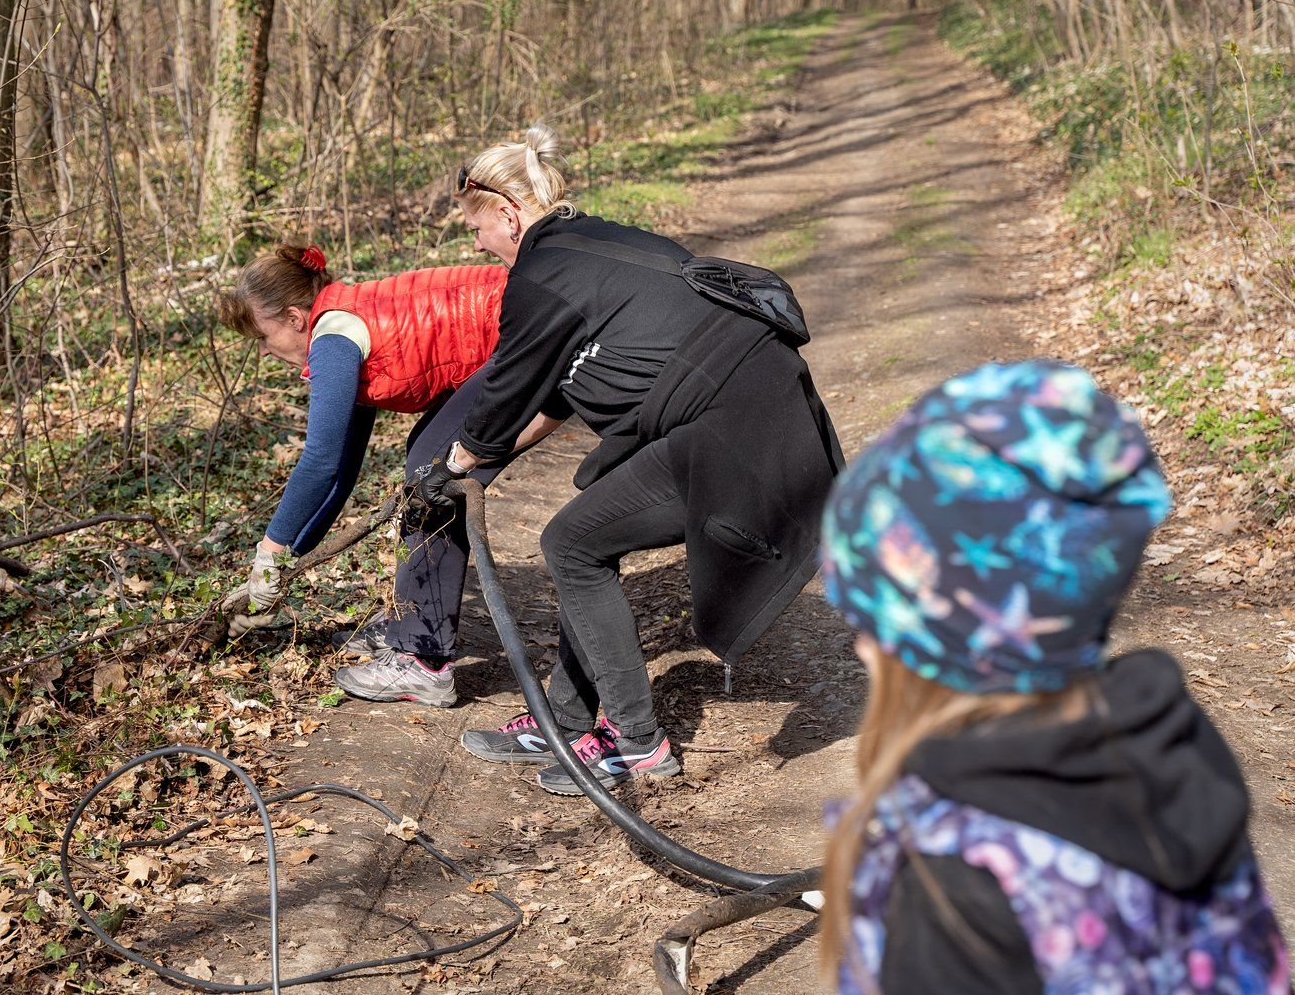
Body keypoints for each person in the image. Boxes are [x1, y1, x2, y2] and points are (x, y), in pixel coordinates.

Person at [816, 360, 1289, 993]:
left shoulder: (952, 890)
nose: (860, 646)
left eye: (866, 619)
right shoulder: (1171, 757)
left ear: (939, 643)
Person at [410, 123, 844, 794]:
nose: (476, 244)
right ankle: (562, 721)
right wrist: (483, 465)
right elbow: (556, 392)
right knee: (587, 533)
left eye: (477, 228)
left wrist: (458, 463)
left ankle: (638, 742)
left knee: (572, 544)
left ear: (508, 212)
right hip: (748, 415)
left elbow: (507, 388)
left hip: (735, 434)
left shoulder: (542, 272)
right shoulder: (595, 242)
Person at [217, 242, 556, 707]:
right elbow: (338, 472)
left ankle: (423, 660)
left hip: (532, 336)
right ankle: (413, 628)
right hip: (524, 335)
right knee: (427, 469)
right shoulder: (343, 325)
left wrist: (268, 551)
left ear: (295, 318)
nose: (264, 351)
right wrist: (287, 561)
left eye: (262, 337)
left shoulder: (334, 339)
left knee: (431, 480)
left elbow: (317, 461)